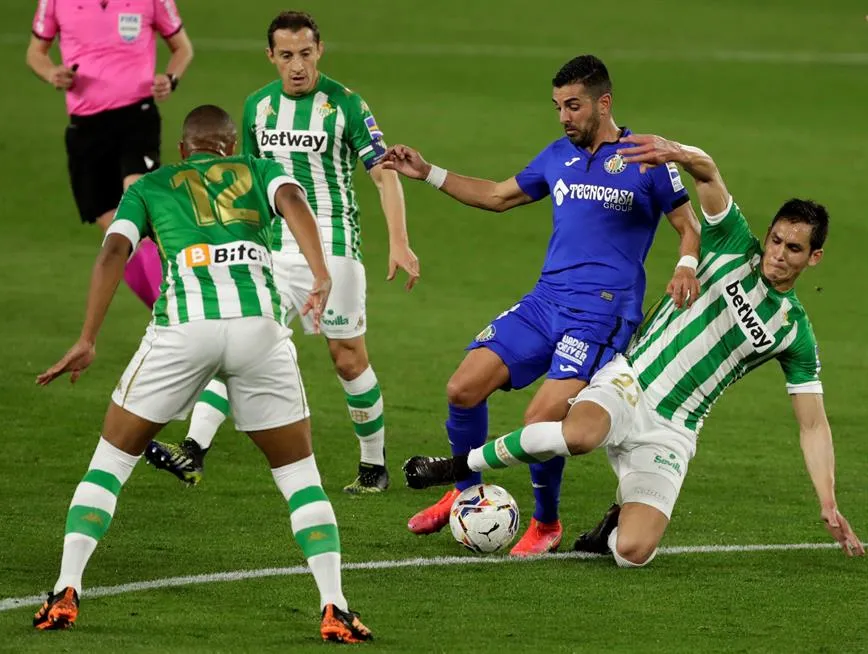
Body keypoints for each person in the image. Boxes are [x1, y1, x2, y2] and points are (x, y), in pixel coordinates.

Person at [402, 133, 865, 565]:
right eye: (777, 240)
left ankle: (610, 523)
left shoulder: (793, 332)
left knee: (633, 552)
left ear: (814, 257)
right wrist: (677, 152)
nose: (779, 254)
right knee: (577, 435)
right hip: (630, 380)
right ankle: (457, 467)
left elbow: (813, 424)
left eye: (795, 249)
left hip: (674, 429)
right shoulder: (731, 243)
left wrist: (828, 501)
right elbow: (708, 173)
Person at [32, 105, 373, 643]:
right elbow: (294, 201)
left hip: (181, 333)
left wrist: (87, 338)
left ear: (183, 151)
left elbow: (114, 251)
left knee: (111, 463)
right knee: (298, 477)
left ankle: (65, 588)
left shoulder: (149, 186)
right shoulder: (258, 170)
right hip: (259, 330)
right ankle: (336, 605)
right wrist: (321, 272)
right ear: (231, 144)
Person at [381, 55, 701, 555]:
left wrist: (685, 265)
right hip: (545, 301)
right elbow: (496, 196)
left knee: (541, 423)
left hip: (602, 313)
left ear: (604, 102)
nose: (564, 117)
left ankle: (546, 523)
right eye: (557, 107)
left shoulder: (646, 157)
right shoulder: (558, 156)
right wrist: (428, 173)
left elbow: (689, 226)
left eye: (573, 106)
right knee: (462, 388)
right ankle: (466, 493)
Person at [146, 11, 419, 494]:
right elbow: (245, 175)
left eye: (306, 54)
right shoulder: (258, 107)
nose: (297, 66)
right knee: (242, 336)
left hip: (334, 245)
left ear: (320, 52)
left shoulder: (346, 105)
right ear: (271, 56)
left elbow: (383, 172)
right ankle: (193, 448)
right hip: (271, 247)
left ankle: (373, 466)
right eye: (287, 55)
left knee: (347, 358)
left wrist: (398, 240)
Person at [26, 0, 193, 308]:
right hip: (86, 127)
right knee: (118, 234)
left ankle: (183, 311)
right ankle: (167, 311)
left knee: (137, 217)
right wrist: (52, 74)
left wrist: (170, 79)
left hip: (136, 119)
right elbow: (35, 52)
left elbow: (182, 48)